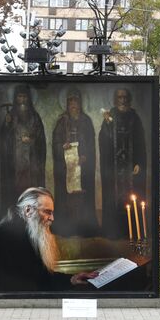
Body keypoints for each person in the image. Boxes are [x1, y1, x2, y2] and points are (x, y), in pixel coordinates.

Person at [0, 187, 97, 293]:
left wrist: (72, 279)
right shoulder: (7, 235)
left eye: (52, 213)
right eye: (47, 212)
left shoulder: (29, 232)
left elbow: (41, 276)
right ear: (28, 211)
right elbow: (27, 283)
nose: (52, 218)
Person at [99, 88, 146, 238]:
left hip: (131, 169)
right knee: (114, 198)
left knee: (132, 196)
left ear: (129, 99)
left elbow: (140, 142)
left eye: (125, 97)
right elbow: (103, 141)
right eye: (119, 97)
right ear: (115, 99)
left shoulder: (134, 117)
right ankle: (113, 231)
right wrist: (106, 125)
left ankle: (131, 231)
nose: (122, 100)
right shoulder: (110, 115)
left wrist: (139, 162)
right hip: (114, 169)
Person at [51, 87, 98, 236]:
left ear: (80, 103)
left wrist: (86, 156)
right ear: (67, 104)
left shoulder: (87, 121)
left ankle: (84, 228)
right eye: (71, 102)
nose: (73, 105)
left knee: (82, 197)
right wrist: (62, 147)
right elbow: (55, 143)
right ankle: (65, 228)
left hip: (82, 168)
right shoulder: (61, 121)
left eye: (76, 102)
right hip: (66, 169)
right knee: (66, 197)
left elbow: (91, 144)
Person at [0, 85, 46, 213]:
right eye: (20, 97)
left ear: (29, 99)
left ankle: (31, 214)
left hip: (31, 162)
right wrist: (7, 124)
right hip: (16, 162)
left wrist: (32, 141)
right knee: (16, 189)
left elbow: (40, 140)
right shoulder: (10, 116)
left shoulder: (35, 117)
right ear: (15, 99)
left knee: (30, 189)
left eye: (25, 97)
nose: (23, 100)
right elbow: (3, 139)